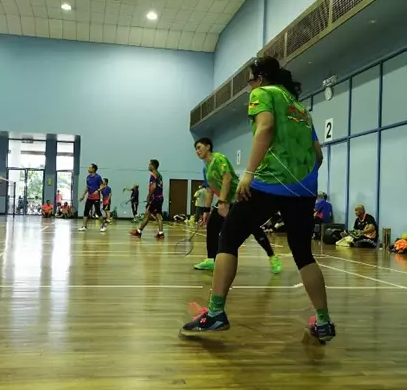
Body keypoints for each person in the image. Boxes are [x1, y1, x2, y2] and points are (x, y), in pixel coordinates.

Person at [181, 56, 335, 343]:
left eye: (250, 80)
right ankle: (323, 321)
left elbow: (265, 128)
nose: (249, 86)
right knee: (303, 253)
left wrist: (249, 173)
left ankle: (215, 313)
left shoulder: (263, 94)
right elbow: (318, 155)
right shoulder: (301, 109)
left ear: (260, 78)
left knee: (228, 238)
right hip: (304, 189)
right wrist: (302, 181)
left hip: (269, 182)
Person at [193, 138, 282, 274]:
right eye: (196, 149)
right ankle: (211, 260)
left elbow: (227, 178)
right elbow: (210, 190)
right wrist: (206, 210)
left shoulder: (218, 158)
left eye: (199, 147)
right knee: (212, 225)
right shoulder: (206, 169)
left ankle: (272, 257)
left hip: (238, 197)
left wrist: (222, 202)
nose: (197, 151)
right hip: (225, 199)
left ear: (208, 147)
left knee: (252, 227)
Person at [130, 160, 164, 239]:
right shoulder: (159, 175)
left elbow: (153, 187)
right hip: (160, 198)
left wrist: (149, 196)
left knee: (147, 214)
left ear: (153, 166)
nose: (148, 166)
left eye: (149, 165)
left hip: (155, 199)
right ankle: (161, 233)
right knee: (158, 215)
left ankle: (139, 232)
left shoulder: (153, 175)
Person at [79, 163, 103, 231]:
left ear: (93, 169)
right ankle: (84, 226)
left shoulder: (98, 177)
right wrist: (83, 195)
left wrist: (97, 191)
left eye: (90, 168)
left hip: (96, 197)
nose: (88, 169)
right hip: (89, 197)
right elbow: (87, 187)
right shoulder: (88, 177)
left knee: (98, 212)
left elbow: (102, 186)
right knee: (86, 211)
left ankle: (103, 225)